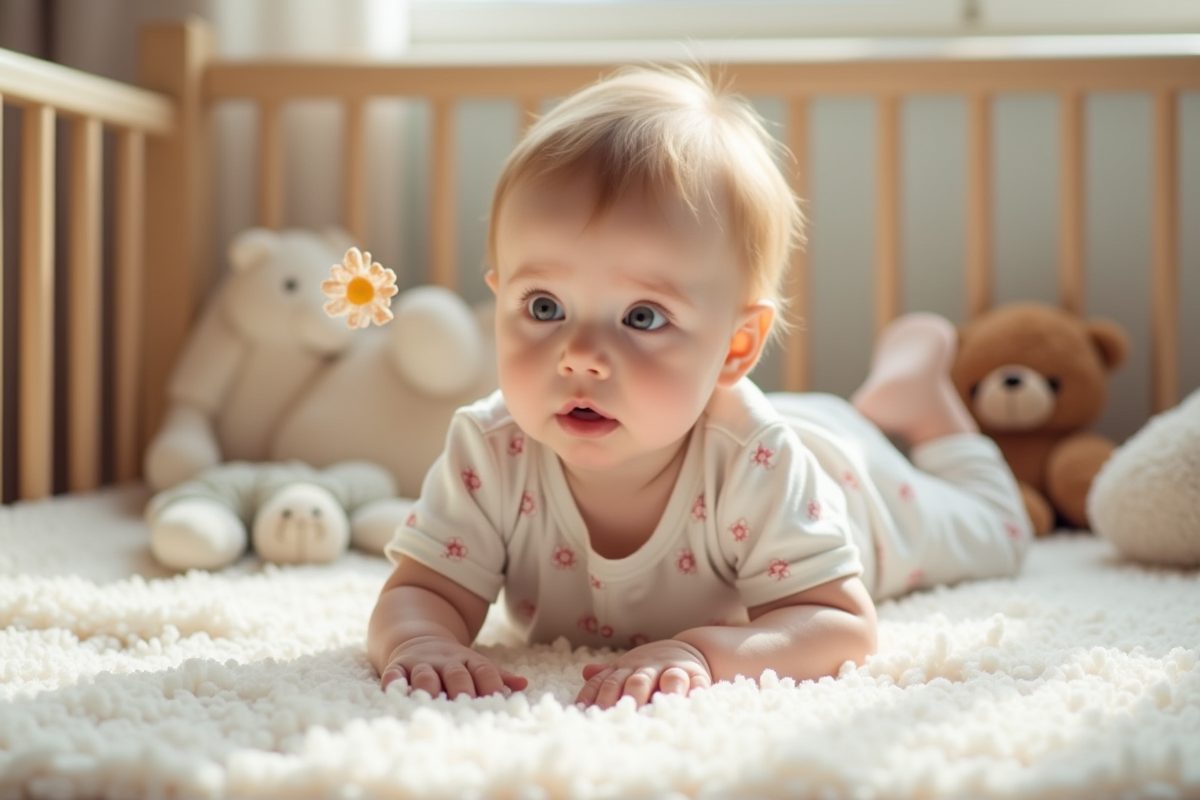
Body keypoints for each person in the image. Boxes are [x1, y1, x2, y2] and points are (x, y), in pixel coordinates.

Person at [367, 65, 1031, 709]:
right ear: (500, 299)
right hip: (732, 420)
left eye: (642, 317)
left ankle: (929, 408)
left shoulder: (757, 466)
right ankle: (893, 395)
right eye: (544, 307)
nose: (581, 357)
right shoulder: (490, 450)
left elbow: (837, 627)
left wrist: (704, 654)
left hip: (853, 481)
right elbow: (423, 590)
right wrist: (422, 639)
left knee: (1000, 531)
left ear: (735, 347)